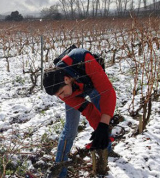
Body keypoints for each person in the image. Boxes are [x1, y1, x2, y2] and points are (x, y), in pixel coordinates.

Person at [43, 47, 116, 177]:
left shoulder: (82, 59)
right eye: (58, 95)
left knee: (104, 118)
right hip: (75, 90)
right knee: (70, 129)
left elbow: (108, 92)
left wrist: (102, 127)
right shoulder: (64, 92)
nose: (62, 97)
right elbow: (88, 110)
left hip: (91, 81)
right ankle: (60, 172)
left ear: (66, 79)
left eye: (61, 93)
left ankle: (106, 149)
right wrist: (100, 128)